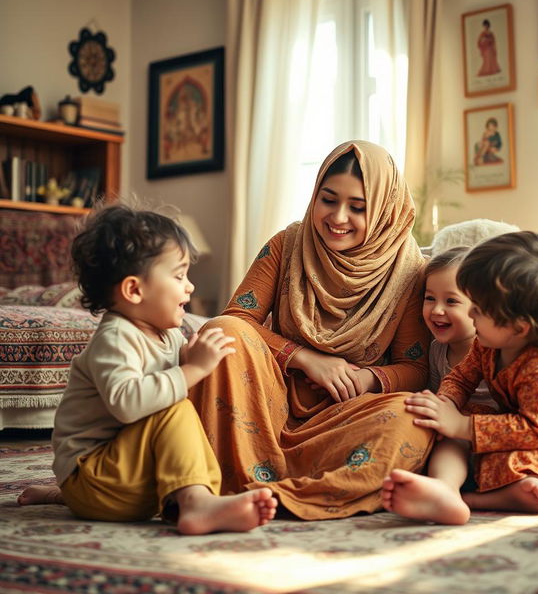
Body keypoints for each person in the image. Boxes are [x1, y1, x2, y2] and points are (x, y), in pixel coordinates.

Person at [188, 140, 435, 520]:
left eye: (358, 207)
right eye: (328, 199)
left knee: (413, 419)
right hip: (268, 403)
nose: (337, 217)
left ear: (384, 210)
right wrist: (306, 359)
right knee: (224, 332)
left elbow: (415, 368)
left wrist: (368, 379)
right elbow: (238, 319)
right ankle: (237, 485)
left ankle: (285, 496)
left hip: (346, 416)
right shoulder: (288, 244)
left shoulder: (408, 271)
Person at [19, 204, 277, 534]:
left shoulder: (168, 334)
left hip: (125, 478)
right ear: (134, 290)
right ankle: (196, 504)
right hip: (94, 478)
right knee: (175, 409)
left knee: (187, 405)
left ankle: (196, 494)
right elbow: (128, 404)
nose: (190, 287)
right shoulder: (115, 338)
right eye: (179, 275)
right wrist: (190, 370)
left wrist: (188, 363)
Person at [382, 231, 538, 524]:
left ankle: (490, 499)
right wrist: (447, 405)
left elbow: (534, 430)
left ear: (518, 325)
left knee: (512, 459)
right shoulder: (487, 341)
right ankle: (445, 489)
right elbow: (461, 378)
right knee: (455, 437)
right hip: (517, 434)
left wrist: (462, 425)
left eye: (478, 310)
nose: (472, 315)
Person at [422, 246, 497, 412]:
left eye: (451, 301)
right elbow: (438, 399)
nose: (436, 310)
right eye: (430, 298)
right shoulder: (436, 350)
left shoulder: (496, 352)